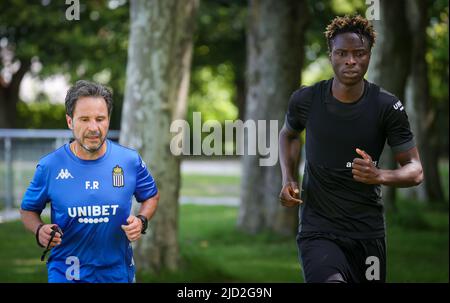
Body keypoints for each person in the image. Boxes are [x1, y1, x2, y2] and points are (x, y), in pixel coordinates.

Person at [279, 15, 423, 283]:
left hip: (368, 235)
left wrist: (379, 175)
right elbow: (288, 135)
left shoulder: (386, 106)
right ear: (330, 55)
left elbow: (415, 171)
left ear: (369, 55)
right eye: (341, 53)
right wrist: (288, 178)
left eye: (359, 53)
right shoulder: (306, 100)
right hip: (318, 230)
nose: (350, 60)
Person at [20, 80, 160, 283]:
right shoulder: (50, 166)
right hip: (66, 274)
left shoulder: (129, 160)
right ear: (70, 121)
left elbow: (152, 196)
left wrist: (142, 220)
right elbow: (27, 210)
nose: (93, 127)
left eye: (100, 119)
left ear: (108, 120)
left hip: (118, 274)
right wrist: (40, 229)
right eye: (84, 119)